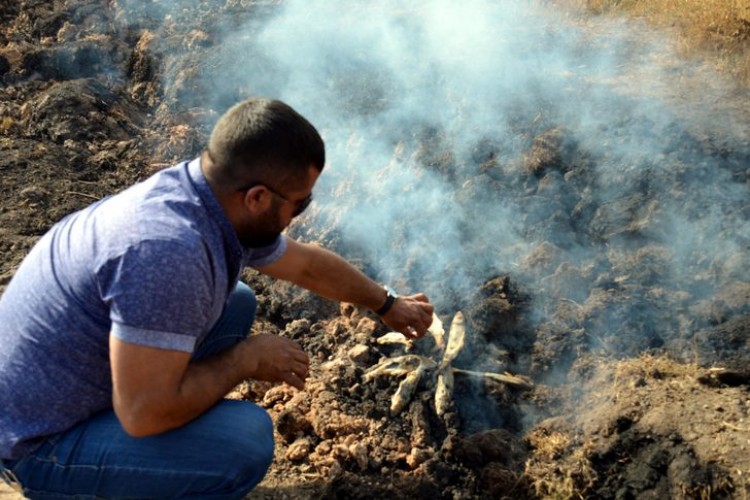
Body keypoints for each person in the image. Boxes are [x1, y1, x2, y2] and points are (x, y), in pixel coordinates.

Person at [0, 98, 434, 498]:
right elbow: (142, 415)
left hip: (61, 389)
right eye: (300, 205)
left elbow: (305, 265)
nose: (302, 214)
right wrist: (245, 359)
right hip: (32, 443)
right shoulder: (168, 254)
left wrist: (387, 302)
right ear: (258, 198)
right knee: (242, 440)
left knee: (237, 300)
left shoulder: (205, 198)